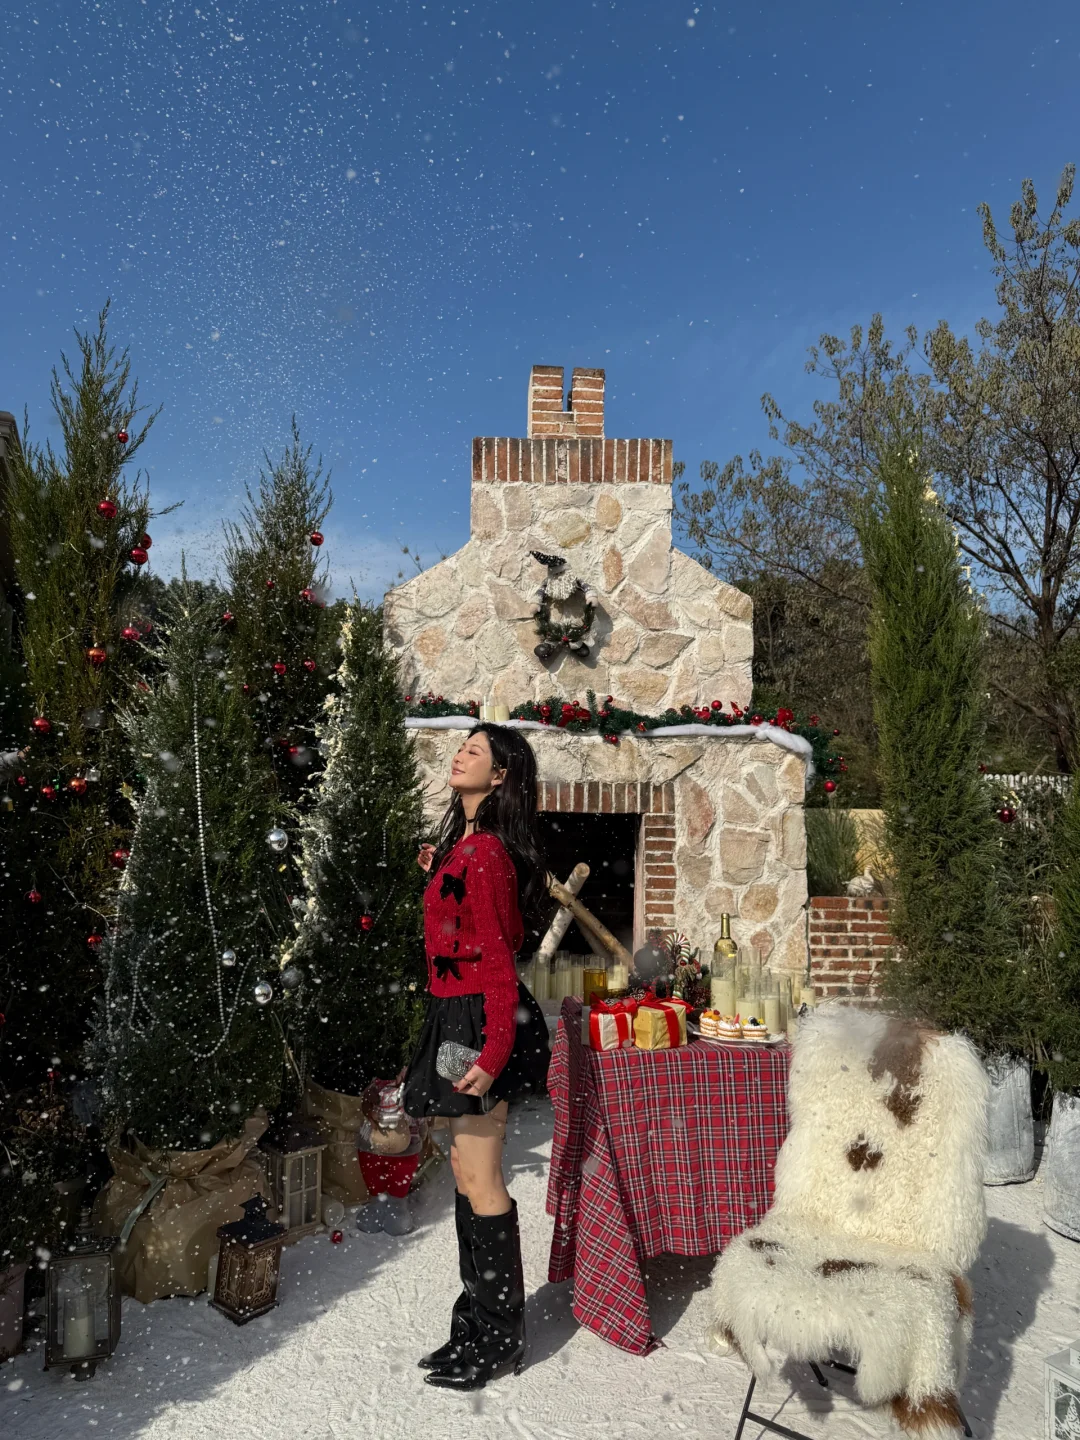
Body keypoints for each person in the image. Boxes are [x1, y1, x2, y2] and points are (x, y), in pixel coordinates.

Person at [403, 723, 551, 1391]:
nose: (460, 753)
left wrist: (493, 1052)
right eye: (460, 745)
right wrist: (441, 873)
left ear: (499, 777)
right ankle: (474, 1324)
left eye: (475, 751)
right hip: (452, 1013)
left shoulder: (486, 853)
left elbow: (498, 955)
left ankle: (499, 1337)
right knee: (466, 1173)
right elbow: (499, 926)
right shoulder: (468, 849)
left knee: (483, 1179)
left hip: (478, 1018)